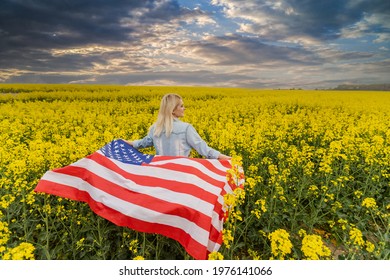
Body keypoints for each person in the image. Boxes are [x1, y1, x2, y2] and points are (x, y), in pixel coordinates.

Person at [126, 93, 231, 160]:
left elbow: (141, 144)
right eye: (181, 106)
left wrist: (124, 142)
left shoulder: (155, 128)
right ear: (172, 109)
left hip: (162, 172)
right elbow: (203, 149)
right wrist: (225, 158)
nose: (184, 108)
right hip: (182, 172)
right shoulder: (186, 128)